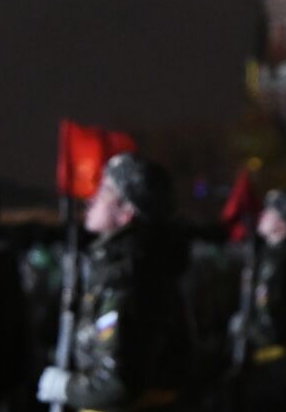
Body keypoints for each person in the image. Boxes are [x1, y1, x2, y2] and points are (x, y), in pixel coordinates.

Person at [36, 152, 189, 412]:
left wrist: (66, 387)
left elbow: (116, 384)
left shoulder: (126, 276)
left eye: (106, 190)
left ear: (127, 211)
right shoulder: (132, 263)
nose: (92, 199)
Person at [230, 189, 286, 410]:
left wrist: (245, 327)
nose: (263, 215)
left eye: (270, 212)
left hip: (275, 364)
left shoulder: (277, 261)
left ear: (283, 224)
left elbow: (271, 321)